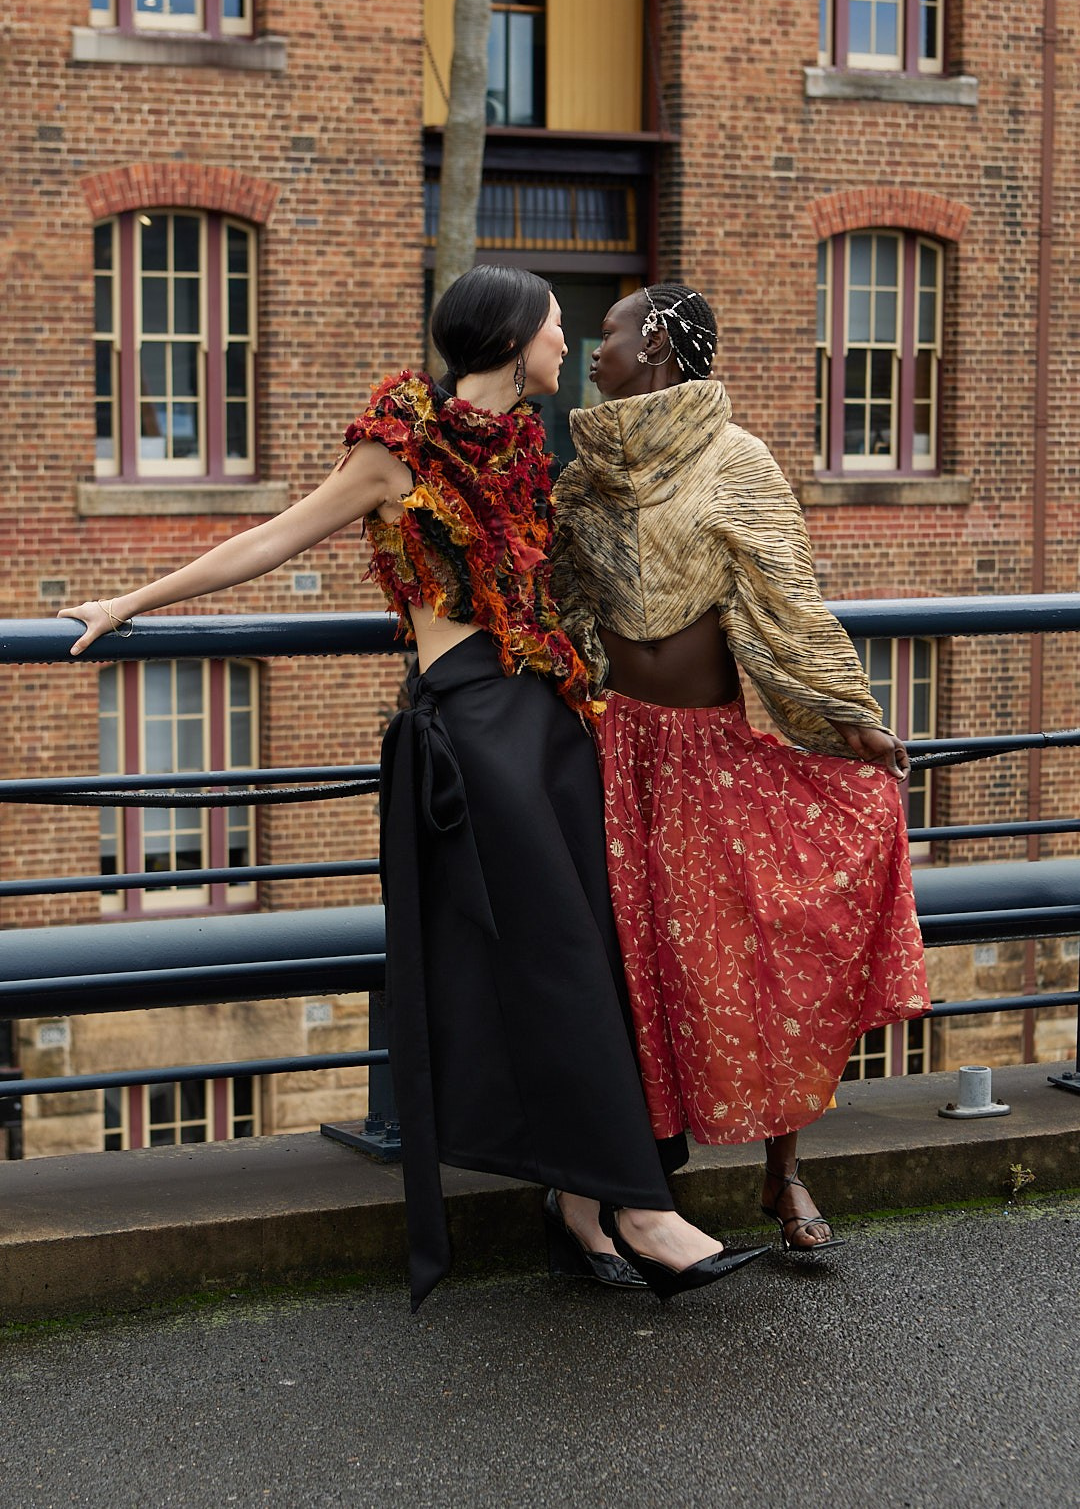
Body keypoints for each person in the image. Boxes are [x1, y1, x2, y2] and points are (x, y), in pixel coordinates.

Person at [60, 265, 766, 1307]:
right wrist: (129, 600)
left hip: (553, 717)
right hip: (476, 727)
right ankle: (642, 1212)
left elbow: (593, 581)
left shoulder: (536, 450)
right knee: (560, 961)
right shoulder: (400, 451)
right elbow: (272, 537)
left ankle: (585, 1204)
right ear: (515, 337)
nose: (566, 347)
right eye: (556, 330)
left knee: (598, 954)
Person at [552, 283, 931, 1253]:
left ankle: (783, 1173)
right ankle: (623, 1181)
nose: (597, 350)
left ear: (662, 347)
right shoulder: (585, 474)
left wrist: (850, 720)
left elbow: (789, 603)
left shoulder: (737, 460)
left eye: (616, 335)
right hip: (612, 749)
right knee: (627, 970)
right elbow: (561, 613)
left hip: (707, 755)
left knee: (759, 955)